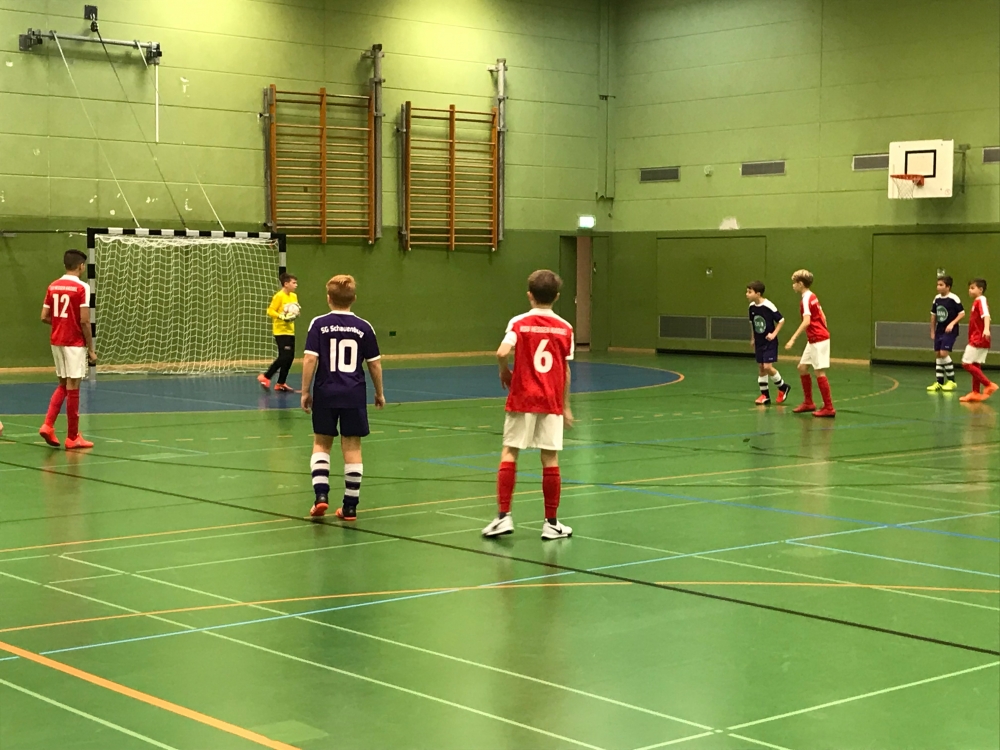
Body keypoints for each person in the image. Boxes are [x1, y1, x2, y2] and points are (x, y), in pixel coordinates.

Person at [482, 270, 575, 541]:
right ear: (556, 296)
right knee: (550, 458)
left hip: (522, 398)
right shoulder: (565, 328)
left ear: (529, 295)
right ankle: (551, 523)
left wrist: (504, 371)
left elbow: (502, 351)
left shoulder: (519, 322)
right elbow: (565, 370)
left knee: (510, 451)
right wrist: (566, 405)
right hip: (550, 401)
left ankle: (503, 517)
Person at [300, 275, 385, 519]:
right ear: (354, 299)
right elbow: (374, 364)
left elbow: (310, 359)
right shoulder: (364, 327)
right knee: (352, 446)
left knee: (321, 442)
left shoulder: (318, 324)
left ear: (328, 298)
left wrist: (305, 391)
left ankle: (321, 496)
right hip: (353, 394)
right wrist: (379, 392)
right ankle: (350, 506)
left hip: (326, 392)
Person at [39, 250, 97, 449]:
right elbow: (85, 321)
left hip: (56, 341)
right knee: (74, 387)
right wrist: (91, 349)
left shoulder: (53, 286)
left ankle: (48, 425)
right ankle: (72, 437)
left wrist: (61, 324)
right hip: (74, 343)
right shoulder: (82, 287)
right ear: (81, 266)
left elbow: (44, 316)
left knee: (63, 384)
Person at [785, 269, 835, 418]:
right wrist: (823, 328)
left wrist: (793, 338)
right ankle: (808, 402)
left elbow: (806, 321)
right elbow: (822, 315)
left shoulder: (806, 299)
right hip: (814, 338)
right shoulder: (812, 296)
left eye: (794, 283)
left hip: (818, 339)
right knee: (802, 368)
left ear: (801, 284)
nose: (793, 285)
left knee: (819, 372)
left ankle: (829, 407)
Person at [746, 281, 791, 405]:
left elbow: (781, 320)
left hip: (769, 342)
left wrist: (774, 334)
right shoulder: (751, 307)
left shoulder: (768, 306)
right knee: (761, 368)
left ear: (758, 293)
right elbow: (752, 323)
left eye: (750, 292)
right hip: (759, 341)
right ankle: (765, 396)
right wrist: (753, 338)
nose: (747, 294)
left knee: (767, 367)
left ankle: (783, 387)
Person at [258, 273, 299, 393]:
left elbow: (293, 311)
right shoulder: (279, 296)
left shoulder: (294, 296)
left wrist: (295, 314)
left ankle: (281, 383)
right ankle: (266, 377)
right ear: (286, 284)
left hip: (290, 330)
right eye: (293, 283)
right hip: (280, 331)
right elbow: (270, 311)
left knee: (290, 358)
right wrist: (281, 316)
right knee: (284, 356)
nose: (296, 285)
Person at [959, 278, 996, 403]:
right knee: (975, 364)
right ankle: (975, 392)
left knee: (966, 363)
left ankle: (988, 384)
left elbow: (986, 315)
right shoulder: (977, 301)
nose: (970, 290)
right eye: (969, 288)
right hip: (977, 337)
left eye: (972, 288)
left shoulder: (981, 300)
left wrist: (986, 329)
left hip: (978, 338)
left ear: (980, 289)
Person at [927, 275, 965, 392]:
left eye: (941, 285)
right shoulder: (937, 299)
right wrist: (932, 330)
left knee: (944, 352)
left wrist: (952, 323)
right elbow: (933, 315)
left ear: (948, 287)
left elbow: (962, 313)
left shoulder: (954, 298)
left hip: (950, 331)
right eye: (937, 285)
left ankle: (952, 381)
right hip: (939, 330)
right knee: (938, 354)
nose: (938, 287)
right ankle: (939, 382)